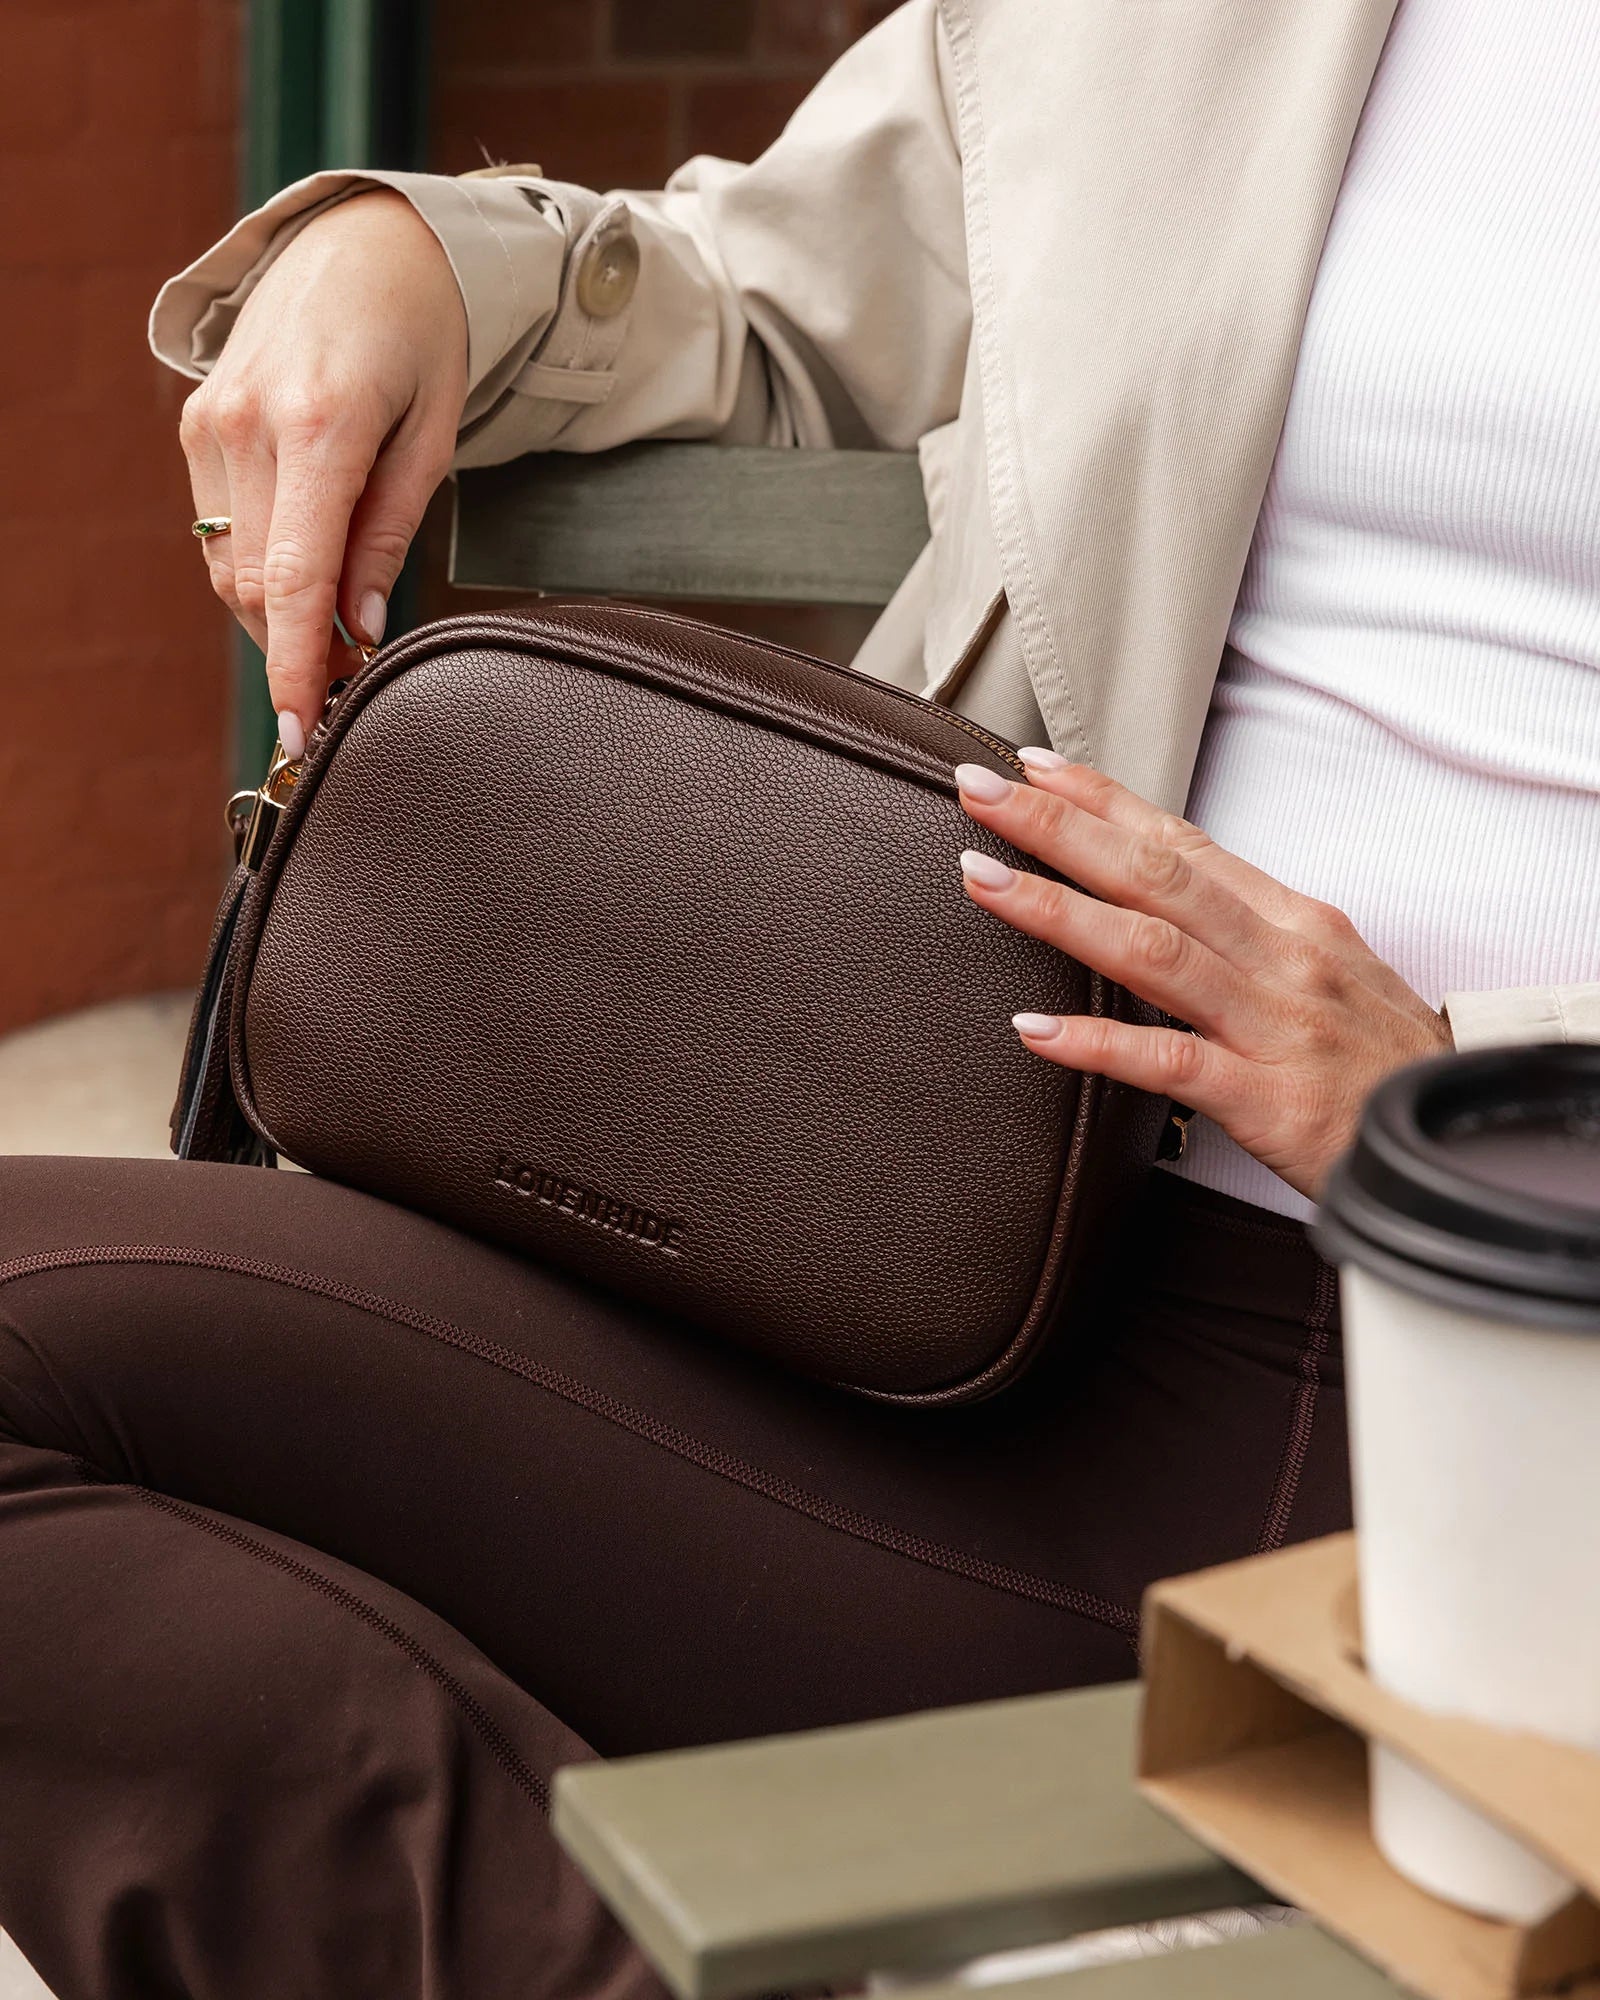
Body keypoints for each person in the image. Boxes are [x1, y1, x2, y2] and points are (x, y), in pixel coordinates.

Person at [3, 0, 1598, 1992]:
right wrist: (409, 261)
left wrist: (1474, 1099)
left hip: (1505, 1435)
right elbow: (769, 300)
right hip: (965, 1273)